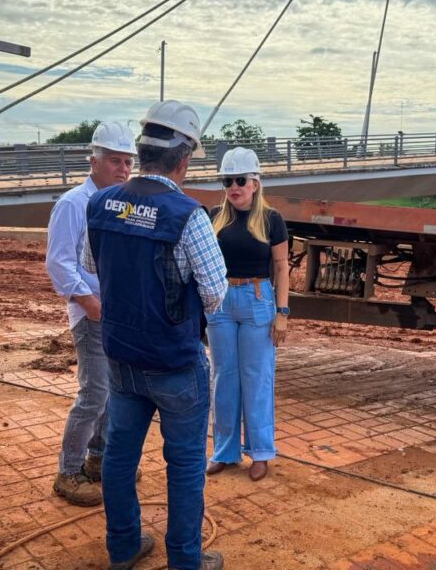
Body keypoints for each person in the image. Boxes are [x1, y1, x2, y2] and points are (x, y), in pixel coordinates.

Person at [85, 100, 227, 570]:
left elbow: (91, 265)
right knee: (184, 465)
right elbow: (215, 294)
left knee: (118, 456)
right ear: (183, 159)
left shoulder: (100, 203)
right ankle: (185, 560)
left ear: (141, 152)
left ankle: (123, 547)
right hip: (174, 363)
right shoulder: (187, 215)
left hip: (121, 358)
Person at [46, 121, 136, 506]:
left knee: (113, 393)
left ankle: (98, 460)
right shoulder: (73, 204)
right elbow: (59, 262)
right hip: (91, 315)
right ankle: (68, 472)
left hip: (118, 314)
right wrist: (89, 303)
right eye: (115, 160)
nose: (123, 168)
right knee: (94, 394)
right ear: (93, 161)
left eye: (128, 161)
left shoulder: (123, 204)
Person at [205, 147, 290, 483]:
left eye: (240, 180)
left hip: (257, 299)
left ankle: (260, 452)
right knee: (223, 378)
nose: (233, 187)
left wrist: (282, 312)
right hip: (221, 302)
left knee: (257, 378)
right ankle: (225, 451)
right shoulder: (215, 216)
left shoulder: (271, 219)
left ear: (255, 183)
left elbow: (281, 267)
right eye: (227, 181)